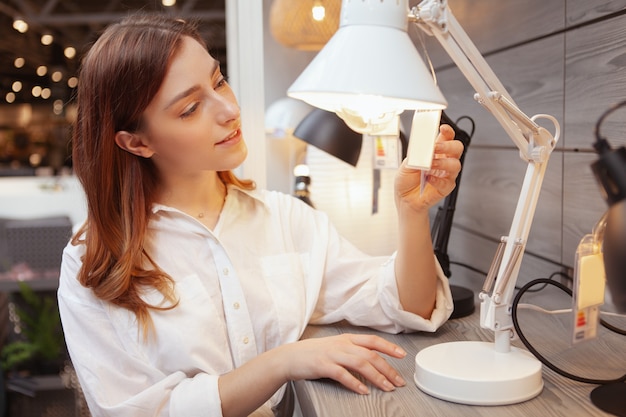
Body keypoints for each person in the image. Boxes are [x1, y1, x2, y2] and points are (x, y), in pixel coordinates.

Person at [57, 13, 463, 417]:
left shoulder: (285, 219)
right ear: (137, 142)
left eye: (219, 81)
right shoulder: (91, 262)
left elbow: (406, 305)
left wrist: (411, 212)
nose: (228, 109)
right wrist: (282, 362)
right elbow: (139, 412)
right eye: (191, 108)